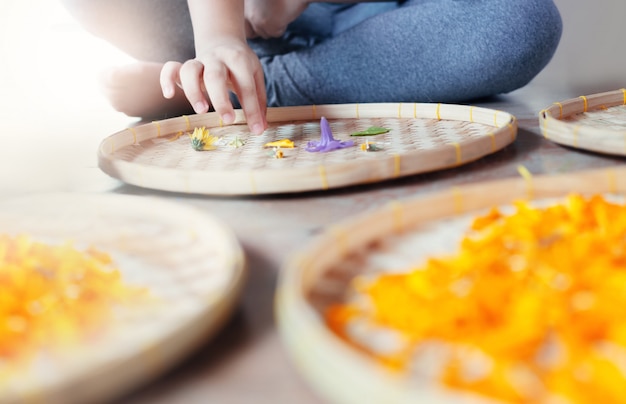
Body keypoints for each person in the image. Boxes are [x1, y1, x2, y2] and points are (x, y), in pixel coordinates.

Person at [61, 0, 562, 134]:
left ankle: (257, 85)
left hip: (390, 26)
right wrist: (220, 35)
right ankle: (225, 70)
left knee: (522, 20)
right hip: (229, 18)